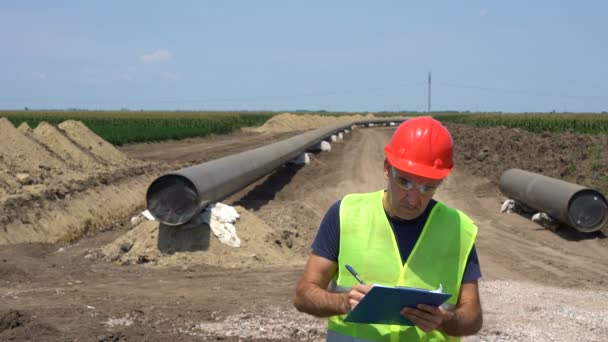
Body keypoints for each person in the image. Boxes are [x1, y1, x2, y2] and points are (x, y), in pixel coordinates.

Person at [293, 116, 482, 341]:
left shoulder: (459, 229)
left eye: (427, 187)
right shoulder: (346, 214)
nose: (413, 199)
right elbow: (304, 295)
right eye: (405, 182)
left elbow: (473, 318)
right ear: (387, 169)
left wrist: (444, 320)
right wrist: (344, 302)